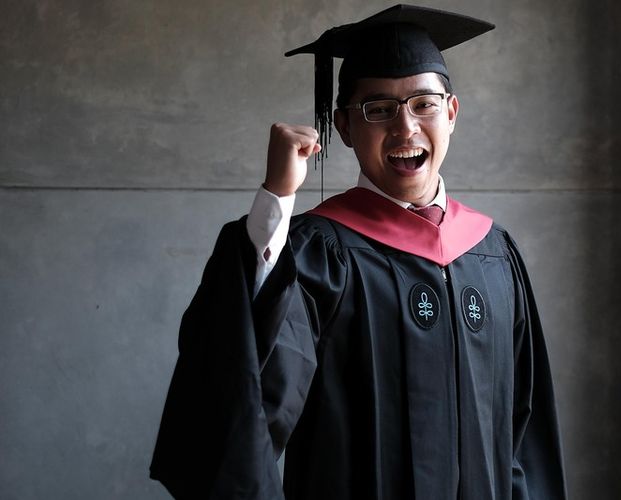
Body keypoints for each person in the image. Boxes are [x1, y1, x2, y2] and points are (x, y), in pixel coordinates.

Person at [150, 5, 567, 499]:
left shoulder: (493, 253)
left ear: (451, 113)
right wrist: (277, 199)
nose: (405, 128)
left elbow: (524, 437)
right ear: (344, 127)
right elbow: (245, 381)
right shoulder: (316, 254)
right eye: (379, 109)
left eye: (423, 104)